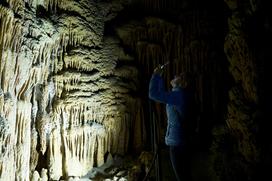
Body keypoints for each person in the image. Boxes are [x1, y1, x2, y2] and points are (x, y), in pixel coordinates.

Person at [149, 64, 196, 181]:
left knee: (182, 177)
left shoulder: (179, 96)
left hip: (177, 144)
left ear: (184, 84)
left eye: (180, 76)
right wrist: (159, 77)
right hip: (183, 141)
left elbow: (153, 94)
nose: (175, 75)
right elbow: (163, 94)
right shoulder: (181, 96)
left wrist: (155, 75)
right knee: (186, 175)